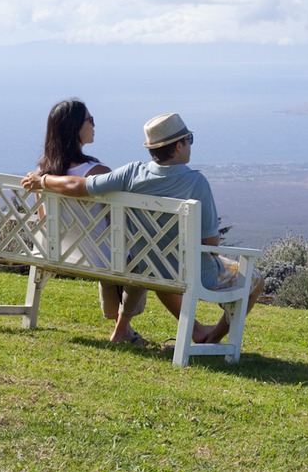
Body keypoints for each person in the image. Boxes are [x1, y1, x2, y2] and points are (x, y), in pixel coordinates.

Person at [22, 112, 262, 346]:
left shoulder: (131, 173)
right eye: (188, 140)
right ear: (178, 146)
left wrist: (42, 180)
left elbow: (80, 185)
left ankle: (198, 332)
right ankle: (214, 338)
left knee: (159, 262)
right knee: (255, 278)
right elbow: (210, 244)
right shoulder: (196, 182)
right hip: (191, 272)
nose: (190, 145)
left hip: (151, 267)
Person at [36, 98, 149, 346]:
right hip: (104, 256)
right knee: (145, 255)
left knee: (112, 252)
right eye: (90, 120)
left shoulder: (42, 173)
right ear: (75, 127)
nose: (94, 124)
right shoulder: (96, 173)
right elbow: (116, 221)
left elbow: (44, 222)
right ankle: (122, 327)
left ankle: (124, 328)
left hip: (65, 252)